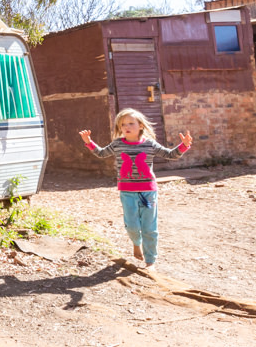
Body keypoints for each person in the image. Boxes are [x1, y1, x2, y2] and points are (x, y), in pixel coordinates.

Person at [80, 108, 192, 272]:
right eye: (123, 124)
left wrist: (184, 145)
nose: (127, 127)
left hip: (148, 193)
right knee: (132, 226)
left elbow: (170, 155)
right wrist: (89, 142)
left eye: (131, 123)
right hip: (127, 192)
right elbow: (102, 153)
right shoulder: (118, 144)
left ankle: (150, 261)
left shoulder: (149, 144)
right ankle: (136, 243)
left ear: (140, 125)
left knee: (149, 228)